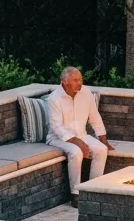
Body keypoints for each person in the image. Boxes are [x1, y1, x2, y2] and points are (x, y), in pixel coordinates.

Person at [47, 67, 114, 206]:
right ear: (65, 82)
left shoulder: (86, 93)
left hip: (82, 135)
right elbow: (56, 127)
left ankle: (93, 189)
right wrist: (78, 142)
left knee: (101, 150)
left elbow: (95, 117)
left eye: (80, 79)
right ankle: (75, 194)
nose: (80, 83)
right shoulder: (54, 98)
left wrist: (103, 140)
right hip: (58, 139)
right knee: (76, 152)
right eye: (75, 80)